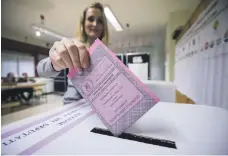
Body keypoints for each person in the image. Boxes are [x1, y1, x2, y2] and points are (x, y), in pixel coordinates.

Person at [37, 2, 109, 104]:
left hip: (101, 107)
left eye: (100, 21)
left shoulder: (107, 54)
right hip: (73, 105)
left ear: (103, 26)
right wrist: (54, 64)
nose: (95, 24)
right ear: (83, 23)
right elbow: (40, 69)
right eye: (90, 19)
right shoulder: (73, 46)